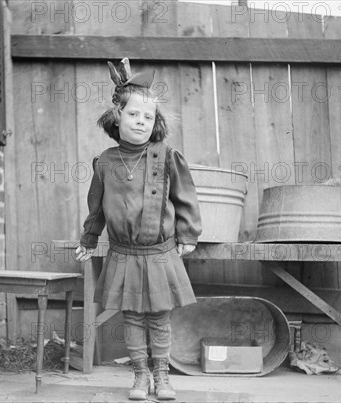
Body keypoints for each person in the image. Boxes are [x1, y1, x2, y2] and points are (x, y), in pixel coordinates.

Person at [75, 58, 202, 401]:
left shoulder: (166, 156)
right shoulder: (105, 162)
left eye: (148, 117)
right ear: (118, 116)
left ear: (155, 122)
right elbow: (96, 207)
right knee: (131, 317)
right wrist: (89, 238)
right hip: (124, 253)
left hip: (159, 252)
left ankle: (163, 377)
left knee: (159, 317)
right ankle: (140, 377)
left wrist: (188, 234)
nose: (140, 121)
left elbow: (185, 196)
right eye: (133, 114)